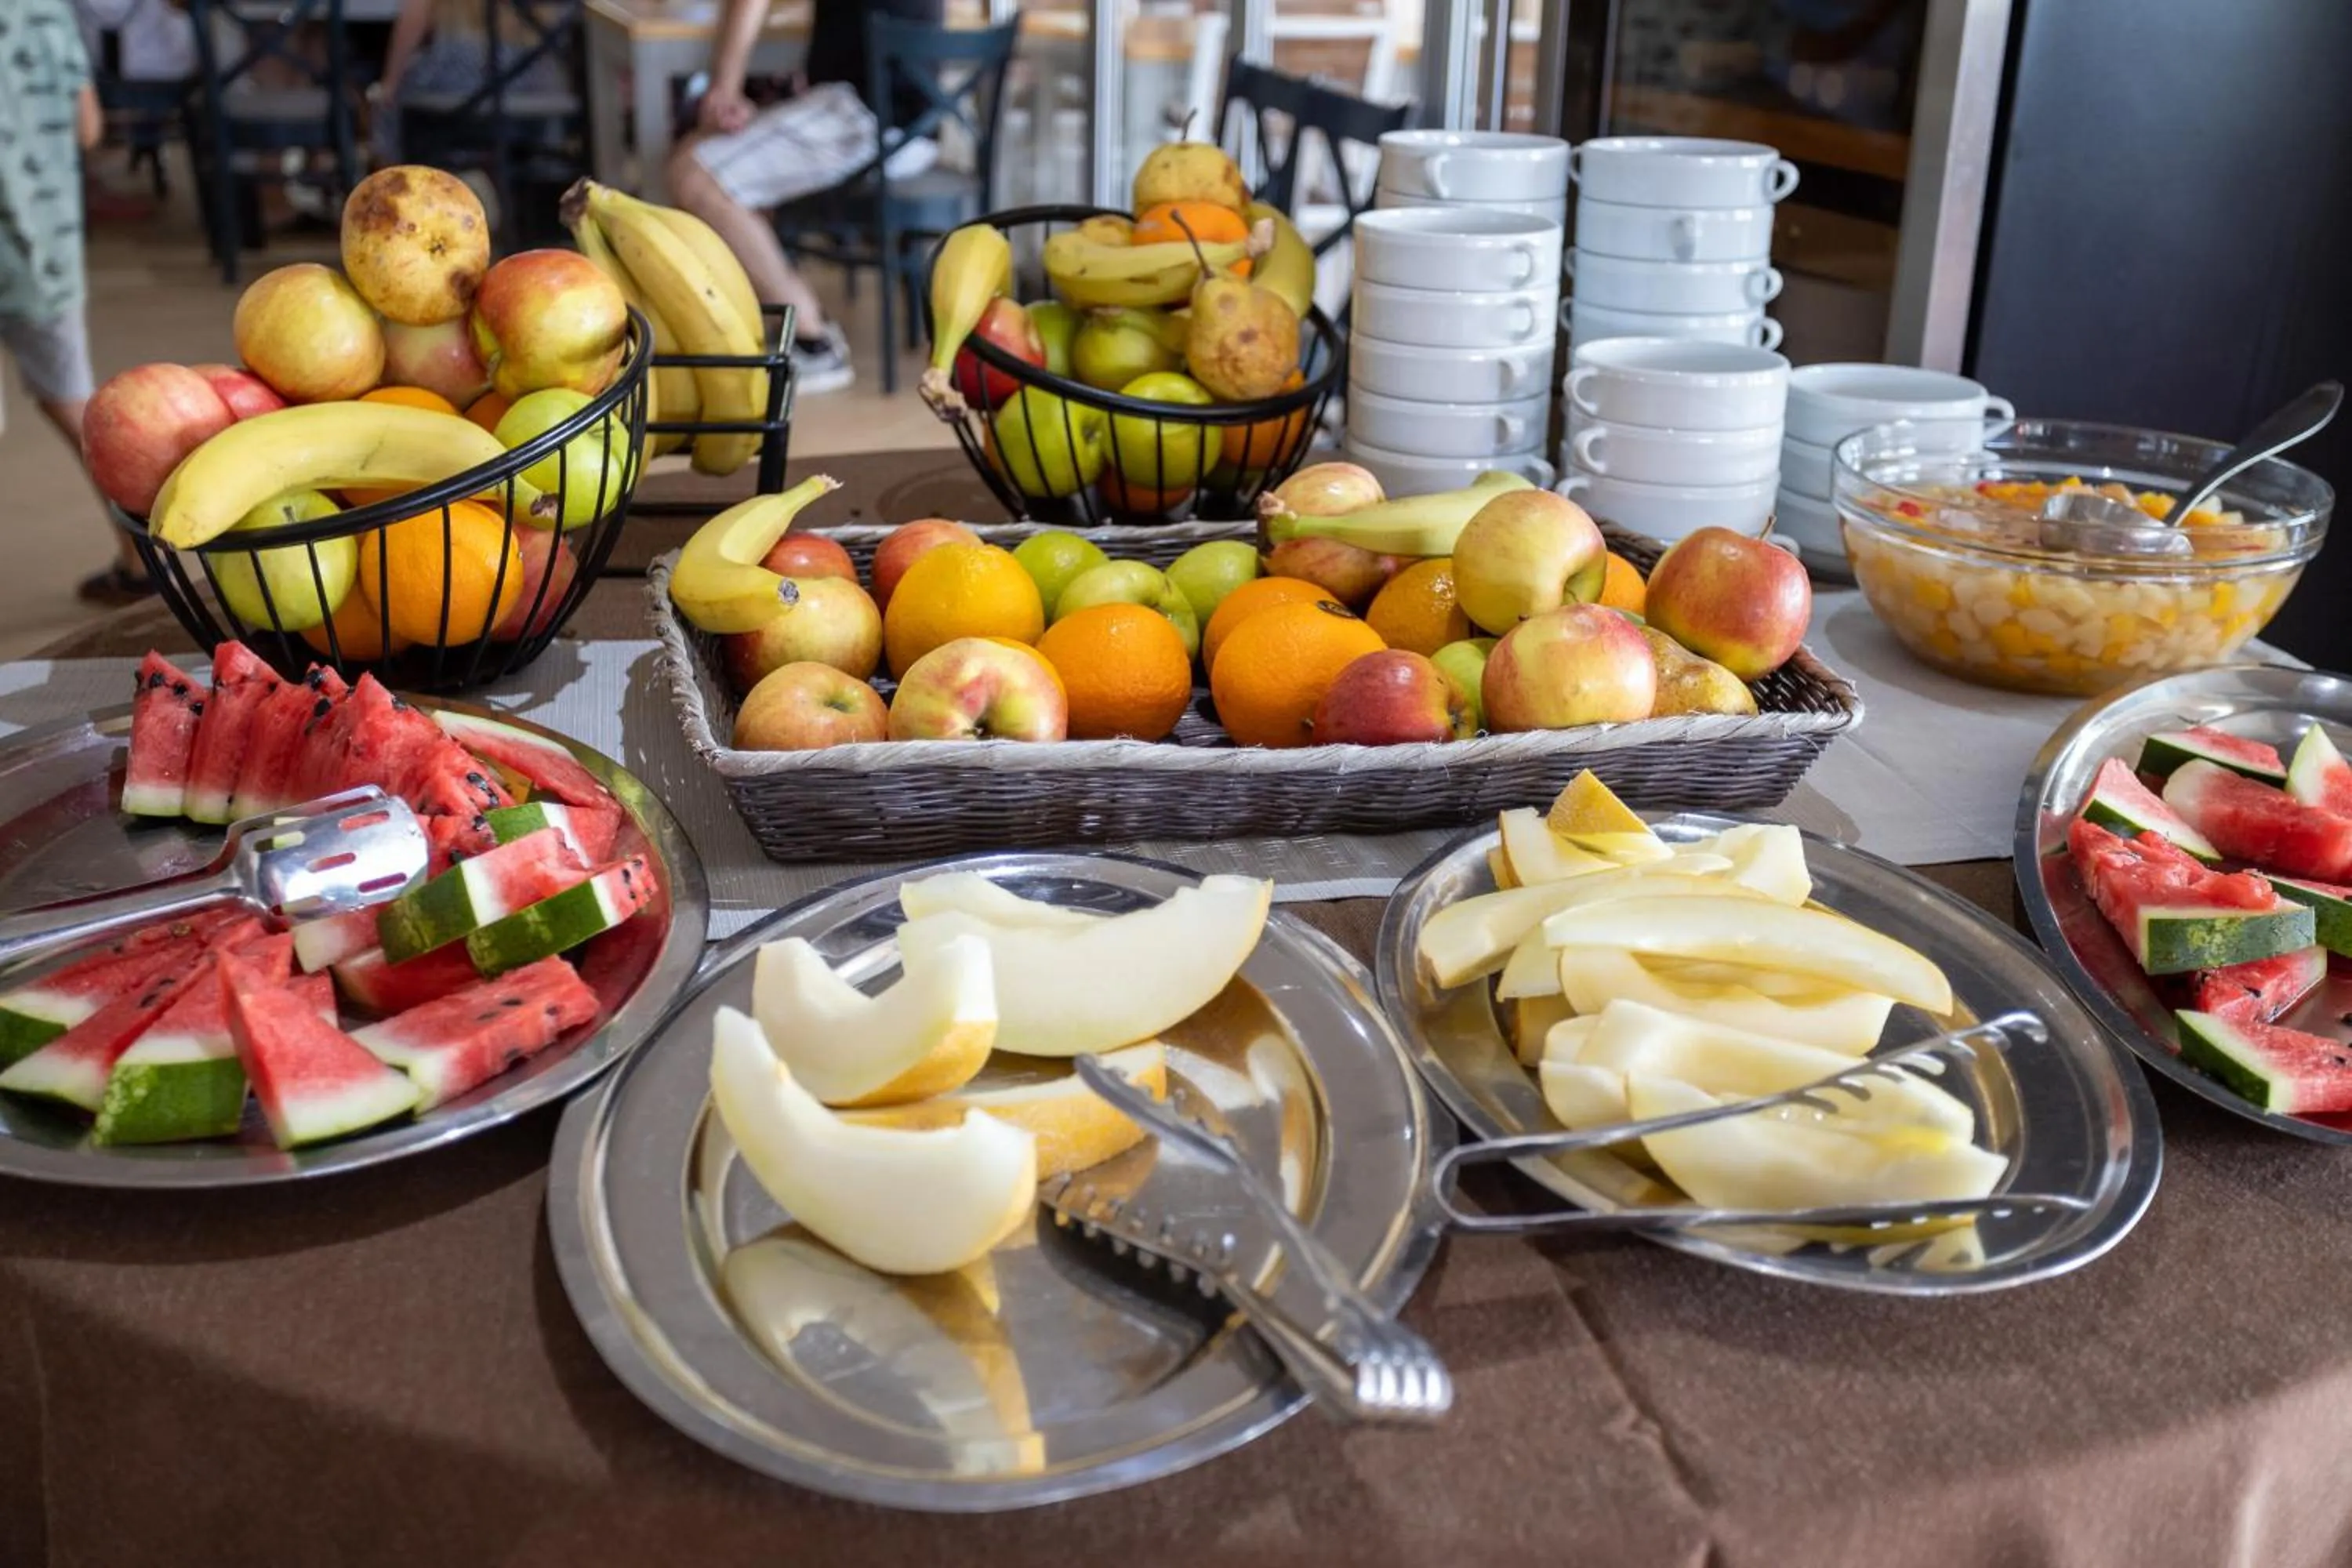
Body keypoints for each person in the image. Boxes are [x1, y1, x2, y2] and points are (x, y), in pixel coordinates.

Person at [667, 0, 946, 395]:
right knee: (711, 156)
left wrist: (725, 85)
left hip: (863, 114)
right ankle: (771, 322)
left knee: (695, 174)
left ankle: (811, 339)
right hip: (916, 122)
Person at [0, 0, 147, 604]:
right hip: (46, 244)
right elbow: (88, 127)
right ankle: (140, 559)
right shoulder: (44, 7)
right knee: (71, 398)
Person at [373, 0, 571, 170]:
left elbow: (415, 14)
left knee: (390, 98)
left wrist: (390, 82)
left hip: (468, 81)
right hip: (539, 81)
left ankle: (393, 190)